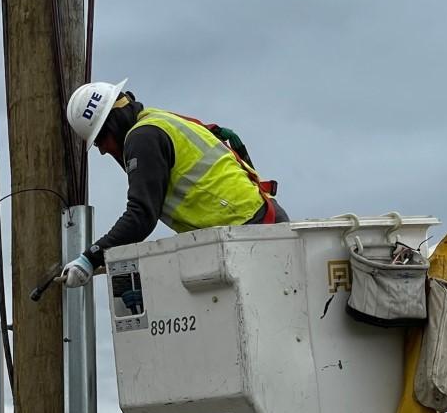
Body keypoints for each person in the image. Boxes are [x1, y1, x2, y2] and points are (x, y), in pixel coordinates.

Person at [59, 79, 289, 288]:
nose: (102, 150)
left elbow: (140, 217)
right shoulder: (158, 121)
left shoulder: (143, 138)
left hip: (249, 231)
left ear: (113, 122)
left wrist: (90, 258)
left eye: (100, 139)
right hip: (253, 227)